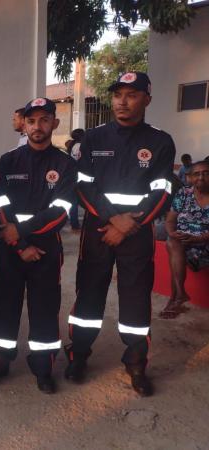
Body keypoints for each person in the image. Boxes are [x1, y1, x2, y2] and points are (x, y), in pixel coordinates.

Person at [64, 72, 175, 396]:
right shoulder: (94, 139)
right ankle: (79, 355)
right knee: (89, 295)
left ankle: (136, 363)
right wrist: (113, 220)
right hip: (98, 230)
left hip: (137, 234)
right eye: (118, 95)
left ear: (147, 100)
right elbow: (82, 185)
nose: (122, 101)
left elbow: (162, 190)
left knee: (136, 300)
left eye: (131, 95)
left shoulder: (160, 141)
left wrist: (128, 225)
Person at [0, 98, 76, 394]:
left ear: (54, 124)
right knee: (4, 306)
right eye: (31, 121)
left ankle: (43, 368)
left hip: (46, 249)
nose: (37, 126)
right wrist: (19, 243)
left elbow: (62, 210)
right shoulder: (9, 161)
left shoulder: (66, 164)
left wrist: (22, 234)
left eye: (44, 120)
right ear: (24, 124)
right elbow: (1, 203)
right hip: (9, 249)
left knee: (45, 309)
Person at [160, 160, 209, 319]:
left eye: (206, 173)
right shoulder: (184, 193)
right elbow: (170, 220)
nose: (201, 177)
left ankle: (176, 298)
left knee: (173, 247)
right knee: (172, 241)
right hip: (183, 239)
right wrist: (172, 232)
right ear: (189, 177)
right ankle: (178, 296)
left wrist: (198, 238)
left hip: (205, 240)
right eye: (196, 173)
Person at [66, 128, 85, 231]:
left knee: (74, 201)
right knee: (77, 200)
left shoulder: (73, 145)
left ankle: (74, 223)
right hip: (79, 176)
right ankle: (75, 224)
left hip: (74, 175)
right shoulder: (80, 146)